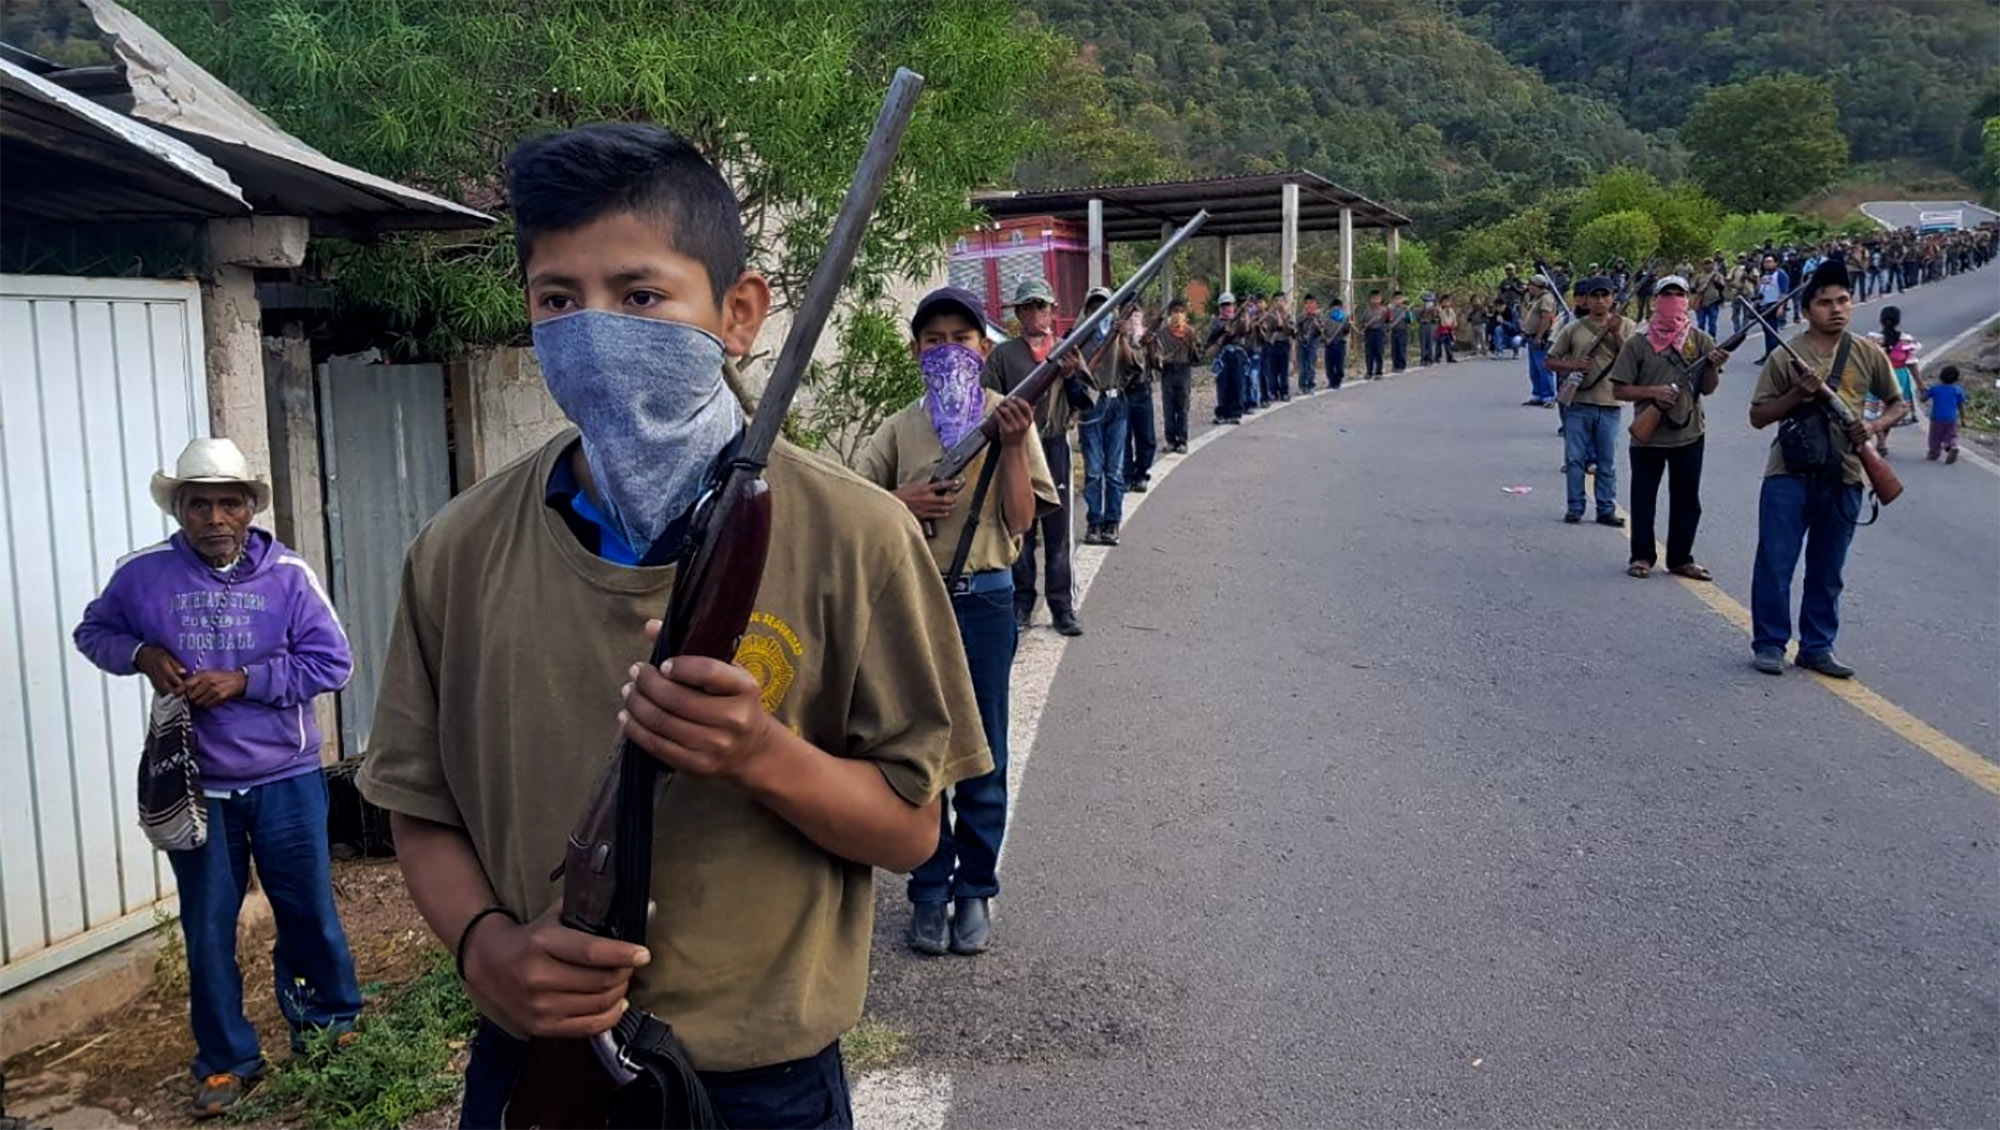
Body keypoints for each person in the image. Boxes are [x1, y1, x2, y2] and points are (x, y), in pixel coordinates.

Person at [357, 123, 989, 1129]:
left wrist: (758, 752)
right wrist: (486, 948)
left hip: (761, 1084)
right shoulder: (456, 548)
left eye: (640, 295)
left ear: (738, 313)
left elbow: (912, 828)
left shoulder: (857, 532)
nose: (593, 329)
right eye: (557, 298)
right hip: (530, 1063)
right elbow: (418, 803)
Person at [72, 437, 360, 1119]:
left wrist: (246, 681)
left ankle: (329, 1030)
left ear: (249, 509)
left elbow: (334, 664)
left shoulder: (288, 576)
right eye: (198, 504)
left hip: (284, 777)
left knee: (308, 914)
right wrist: (141, 652)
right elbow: (93, 633)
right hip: (197, 785)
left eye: (228, 503)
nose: (214, 517)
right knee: (207, 928)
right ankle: (226, 1061)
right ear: (179, 510)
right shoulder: (142, 577)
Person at [856, 287, 1059, 957]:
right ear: (915, 351)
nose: (948, 349)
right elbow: (853, 514)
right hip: (914, 603)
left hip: (987, 598)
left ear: (984, 347)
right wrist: (900, 501)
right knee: (919, 752)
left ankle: (975, 890)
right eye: (934, 339)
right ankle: (928, 890)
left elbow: (1023, 522)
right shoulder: (896, 428)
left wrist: (1011, 446)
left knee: (982, 752)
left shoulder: (1011, 418)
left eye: (961, 337)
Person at [1746, 260, 1904, 678]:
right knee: (1775, 565)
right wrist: (1798, 393)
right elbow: (1759, 416)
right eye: (1824, 302)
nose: (1835, 309)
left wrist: (1870, 427)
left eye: (1843, 300)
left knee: (1827, 570)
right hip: (1789, 474)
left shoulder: (1867, 353)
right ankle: (1769, 644)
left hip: (1846, 474)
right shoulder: (1787, 355)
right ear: (1808, 310)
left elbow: (1897, 402)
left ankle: (1817, 646)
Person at [1610, 275, 1728, 582]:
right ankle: (1641, 557)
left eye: (1679, 294)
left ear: (1688, 301)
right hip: (1648, 437)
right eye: (1667, 294)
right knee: (1643, 499)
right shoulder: (1638, 342)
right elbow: (1619, 390)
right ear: (1655, 301)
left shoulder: (1700, 340)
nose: (1672, 300)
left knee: (1687, 500)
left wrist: (1713, 365)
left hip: (1689, 432)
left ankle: (1680, 558)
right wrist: (1654, 393)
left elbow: (1709, 388)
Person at [986, 276, 1083, 637]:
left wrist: (1071, 376)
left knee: (1059, 533)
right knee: (1018, 529)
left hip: (1055, 445)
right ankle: (1021, 603)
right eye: (1028, 306)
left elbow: (1085, 400)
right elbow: (989, 402)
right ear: (1018, 313)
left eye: (1041, 305)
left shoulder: (1068, 351)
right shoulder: (1003, 354)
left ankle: (1062, 607)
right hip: (1016, 449)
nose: (1035, 313)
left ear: (1052, 310)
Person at [1546, 278, 1634, 527]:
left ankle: (1606, 508)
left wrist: (1615, 333)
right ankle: (1575, 507)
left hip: (1610, 403)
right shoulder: (1574, 328)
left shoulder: (1626, 325)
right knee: (1575, 459)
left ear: (1612, 299)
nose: (1599, 301)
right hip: (1578, 402)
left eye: (1604, 296)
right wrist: (1574, 365)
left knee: (1607, 461)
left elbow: (1632, 357)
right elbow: (1550, 361)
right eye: (1595, 296)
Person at [1075, 286, 1132, 545]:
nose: (1100, 311)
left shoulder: (1121, 334)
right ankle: (1094, 521)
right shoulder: (1080, 338)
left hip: (1116, 402)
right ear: (1087, 310)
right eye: (1095, 306)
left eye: (1105, 306)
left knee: (1114, 470)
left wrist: (1120, 337)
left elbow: (1133, 365)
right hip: (1091, 404)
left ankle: (1113, 521)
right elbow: (1083, 371)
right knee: (1094, 470)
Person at [1866, 304, 1922, 457]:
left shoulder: (1872, 339)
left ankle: (1881, 441)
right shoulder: (1906, 340)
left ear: (1881, 320)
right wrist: (1920, 384)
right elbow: (1912, 364)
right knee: (1892, 411)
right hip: (1899, 377)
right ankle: (1882, 441)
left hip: (1877, 376)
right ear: (1898, 321)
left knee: (1877, 412)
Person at [1121, 305, 1160, 494]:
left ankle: (1141, 474)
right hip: (1123, 391)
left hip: (1143, 390)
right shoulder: (1117, 334)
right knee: (1124, 437)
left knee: (1146, 437)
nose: (1134, 315)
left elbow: (1157, 363)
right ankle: (1127, 476)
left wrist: (1149, 344)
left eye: (1137, 311)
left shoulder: (1146, 334)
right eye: (1130, 310)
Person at [1152, 298, 1200, 452]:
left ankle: (1182, 440)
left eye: (1181, 312)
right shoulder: (1162, 333)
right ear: (1169, 314)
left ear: (1185, 314)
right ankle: (1170, 440)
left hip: (1184, 370)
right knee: (1168, 407)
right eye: (1175, 312)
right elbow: (1157, 352)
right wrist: (1161, 358)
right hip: (1168, 371)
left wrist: (1192, 344)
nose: (1178, 315)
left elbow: (1197, 356)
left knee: (1183, 407)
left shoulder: (1190, 332)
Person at [1206, 291, 1249, 424]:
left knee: (1237, 383)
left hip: (1237, 354)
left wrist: (1244, 314)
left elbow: (1245, 330)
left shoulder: (1238, 320)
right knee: (1223, 384)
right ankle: (1222, 413)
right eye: (1224, 305)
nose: (1227, 308)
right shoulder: (1216, 322)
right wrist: (1224, 331)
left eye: (1229, 305)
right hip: (1222, 355)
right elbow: (1210, 338)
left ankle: (1235, 412)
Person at [1520, 274, 1560, 407]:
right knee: (1534, 369)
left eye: (1530, 285)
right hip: (1531, 336)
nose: (1529, 288)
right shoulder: (1536, 299)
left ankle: (1549, 396)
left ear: (1536, 286)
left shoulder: (1546, 298)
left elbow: (1546, 317)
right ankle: (1537, 394)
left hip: (1541, 337)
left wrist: (1539, 336)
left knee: (1543, 367)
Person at [1921, 364, 1966, 463]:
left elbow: (1923, 399)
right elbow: (1961, 406)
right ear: (1956, 379)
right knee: (1951, 435)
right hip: (1951, 418)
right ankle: (1952, 445)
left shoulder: (1935, 388)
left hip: (1937, 418)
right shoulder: (1957, 390)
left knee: (1935, 437)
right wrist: (1963, 419)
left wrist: (1923, 391)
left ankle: (1934, 453)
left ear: (1941, 376)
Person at [1755, 254, 1791, 362]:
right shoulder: (1764, 275)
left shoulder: (1780, 274)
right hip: (1763, 305)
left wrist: (1781, 307)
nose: (1767, 264)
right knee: (1767, 331)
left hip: (1774, 305)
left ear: (1776, 263)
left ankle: (1773, 356)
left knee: (1771, 331)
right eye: (1765, 262)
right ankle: (1768, 354)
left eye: (1770, 262)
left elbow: (1784, 293)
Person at [1260, 291, 1295, 400]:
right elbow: (1267, 327)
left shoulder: (1289, 316)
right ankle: (1273, 392)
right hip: (1272, 344)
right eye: (1276, 301)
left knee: (1283, 371)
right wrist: (1276, 320)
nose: (1279, 303)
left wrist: (1284, 319)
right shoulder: (1269, 315)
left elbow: (1291, 331)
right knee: (1272, 370)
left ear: (1285, 302)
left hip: (1284, 344)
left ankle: (1284, 392)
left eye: (1281, 301)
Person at [1295, 293, 1323, 392]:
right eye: (1306, 303)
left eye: (1311, 303)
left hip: (1313, 344)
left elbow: (1321, 331)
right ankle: (1302, 386)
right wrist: (1306, 316)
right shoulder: (1300, 317)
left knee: (1311, 366)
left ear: (1316, 305)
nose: (1309, 305)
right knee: (1302, 367)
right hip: (1302, 344)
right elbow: (1296, 329)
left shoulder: (1319, 316)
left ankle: (1311, 385)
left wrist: (1314, 319)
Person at [1362, 290, 1390, 378]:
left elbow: (1388, 321)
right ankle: (1369, 371)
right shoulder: (1367, 311)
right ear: (1370, 300)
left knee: (1379, 352)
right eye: (1373, 299)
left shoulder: (1384, 310)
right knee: (1369, 353)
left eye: (1377, 298)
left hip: (1379, 332)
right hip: (1369, 332)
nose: (1375, 301)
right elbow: (1362, 322)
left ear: (1380, 299)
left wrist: (1385, 318)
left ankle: (1379, 371)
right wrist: (1365, 325)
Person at [1325, 298, 1351, 387]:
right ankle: (1331, 381)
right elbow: (1323, 330)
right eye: (1333, 308)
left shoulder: (1343, 317)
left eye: (1337, 308)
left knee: (1339, 364)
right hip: (1329, 344)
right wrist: (1325, 339)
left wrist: (1348, 324)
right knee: (1329, 364)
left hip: (1340, 343)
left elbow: (1346, 331)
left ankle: (1338, 379)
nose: (1335, 310)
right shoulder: (1327, 318)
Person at [1389, 290, 1412, 373]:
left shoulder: (1405, 309)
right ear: (1393, 300)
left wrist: (1407, 313)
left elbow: (1409, 320)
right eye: (1396, 299)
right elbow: (1388, 320)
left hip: (1403, 331)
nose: (1398, 301)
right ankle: (1395, 365)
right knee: (1394, 349)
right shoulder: (1391, 309)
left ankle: (1402, 365)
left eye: (1399, 299)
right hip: (1394, 330)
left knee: (1402, 348)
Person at [1437, 293, 1460, 363]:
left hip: (1450, 328)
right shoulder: (1440, 310)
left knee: (1449, 343)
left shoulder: (1451, 310)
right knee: (1440, 343)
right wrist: (1440, 311)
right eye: (1445, 302)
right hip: (1442, 329)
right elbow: (1441, 318)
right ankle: (1438, 357)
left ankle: (1450, 357)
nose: (1447, 303)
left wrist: (1454, 324)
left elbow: (1454, 318)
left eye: (1448, 302)